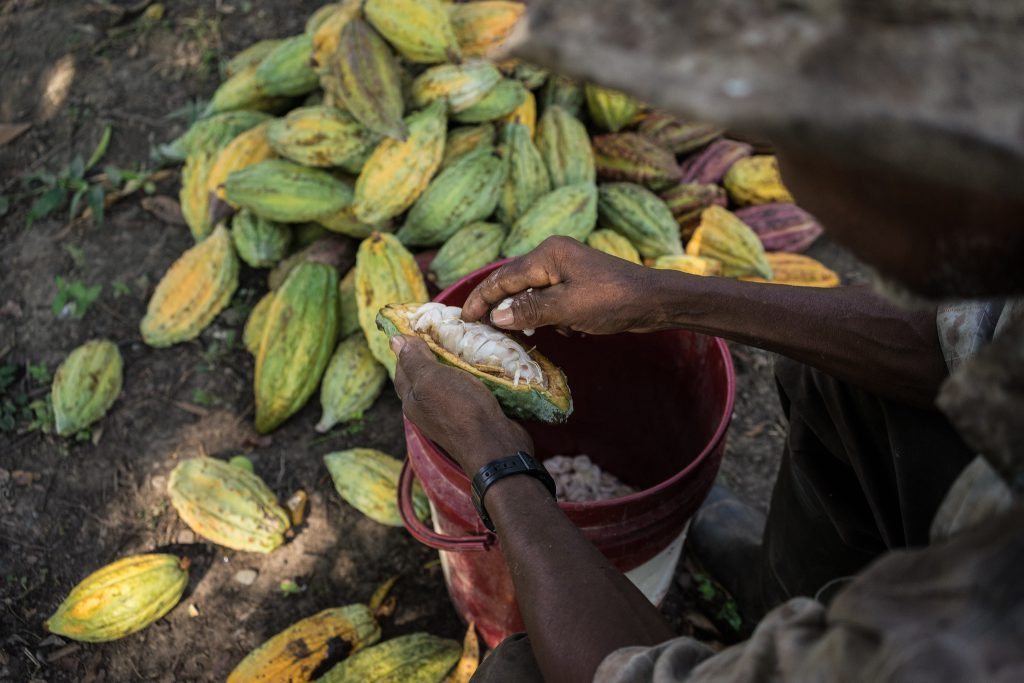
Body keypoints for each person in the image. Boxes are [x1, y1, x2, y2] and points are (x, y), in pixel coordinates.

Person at [388, 1, 1024, 679]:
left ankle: (784, 644)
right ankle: (779, 600)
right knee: (845, 378)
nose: (759, 161)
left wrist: (497, 463)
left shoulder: (967, 637)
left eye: (777, 148)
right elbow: (955, 341)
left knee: (523, 669)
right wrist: (663, 298)